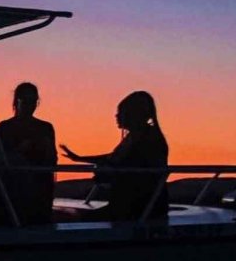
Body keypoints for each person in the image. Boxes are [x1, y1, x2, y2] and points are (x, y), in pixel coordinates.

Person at [61, 90, 169, 222]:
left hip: (136, 208)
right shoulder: (137, 137)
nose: (116, 116)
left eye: (121, 112)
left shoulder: (148, 140)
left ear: (134, 114)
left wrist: (107, 173)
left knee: (68, 217)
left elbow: (131, 169)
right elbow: (114, 158)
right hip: (127, 205)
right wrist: (79, 158)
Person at [0, 81, 57, 225]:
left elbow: (53, 160)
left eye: (34, 101)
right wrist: (20, 150)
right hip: (15, 187)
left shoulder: (46, 128)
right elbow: (1, 160)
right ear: (17, 101)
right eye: (27, 100)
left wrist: (46, 148)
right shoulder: (5, 127)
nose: (31, 105)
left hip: (41, 187)